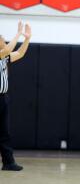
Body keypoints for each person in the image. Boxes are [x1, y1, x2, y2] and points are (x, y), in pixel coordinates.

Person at [0, 21, 31, 171]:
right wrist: (18, 33)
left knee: (4, 132)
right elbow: (7, 49)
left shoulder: (4, 58)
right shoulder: (2, 53)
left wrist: (27, 39)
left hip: (3, 98)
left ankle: (8, 162)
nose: (4, 41)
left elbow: (19, 53)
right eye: (1, 39)